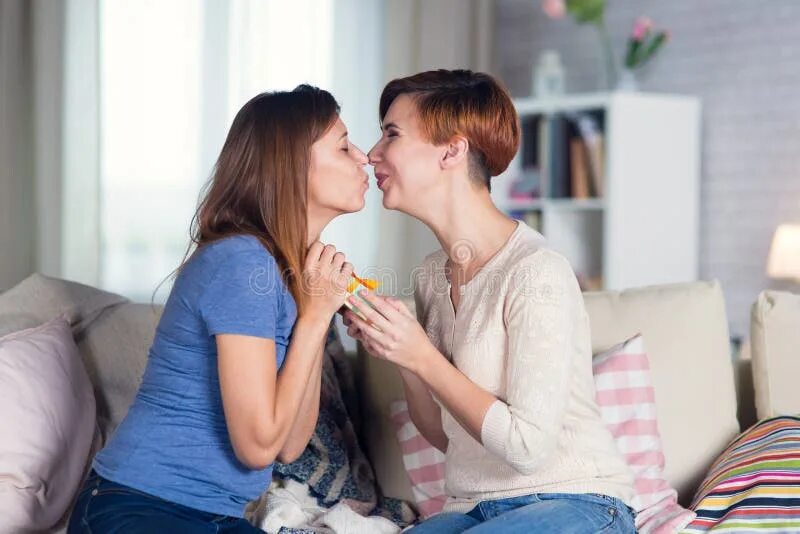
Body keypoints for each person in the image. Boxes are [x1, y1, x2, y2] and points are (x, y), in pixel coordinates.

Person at [344, 70, 636, 533]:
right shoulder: (429, 275)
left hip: (578, 502)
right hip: (471, 509)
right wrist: (403, 356)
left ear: (452, 150)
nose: (371, 154)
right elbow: (450, 437)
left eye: (391, 135)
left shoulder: (536, 270)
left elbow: (526, 448)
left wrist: (421, 352)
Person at [69, 85, 369, 533]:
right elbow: (257, 447)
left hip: (215, 517)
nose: (363, 157)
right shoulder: (240, 262)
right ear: (291, 166)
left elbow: (288, 445)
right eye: (344, 146)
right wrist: (312, 317)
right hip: (139, 506)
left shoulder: (278, 273)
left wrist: (318, 312)